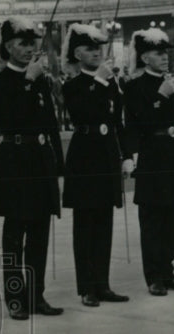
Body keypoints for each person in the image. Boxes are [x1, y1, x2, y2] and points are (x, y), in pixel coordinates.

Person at [0, 17, 65, 320]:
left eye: (33, 43)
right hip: (16, 162)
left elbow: (51, 126)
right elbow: (11, 116)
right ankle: (16, 299)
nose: (30, 49)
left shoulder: (41, 79)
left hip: (41, 162)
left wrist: (59, 168)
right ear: (8, 47)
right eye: (22, 43)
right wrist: (28, 81)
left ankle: (37, 295)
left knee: (40, 234)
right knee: (15, 236)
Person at [122, 27, 174, 296]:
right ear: (144, 58)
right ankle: (154, 276)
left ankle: (168, 271)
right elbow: (137, 123)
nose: (165, 57)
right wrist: (161, 96)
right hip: (152, 159)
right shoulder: (134, 87)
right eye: (158, 53)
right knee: (152, 220)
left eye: (165, 52)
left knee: (171, 219)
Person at [60, 23, 129, 307]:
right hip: (84, 157)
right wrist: (98, 82)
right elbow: (81, 113)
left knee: (104, 222)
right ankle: (86, 287)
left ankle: (102, 283)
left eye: (99, 48)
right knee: (85, 224)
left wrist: (125, 155)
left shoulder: (110, 81)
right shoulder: (73, 84)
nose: (97, 53)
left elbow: (117, 121)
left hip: (106, 155)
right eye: (90, 48)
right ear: (77, 53)